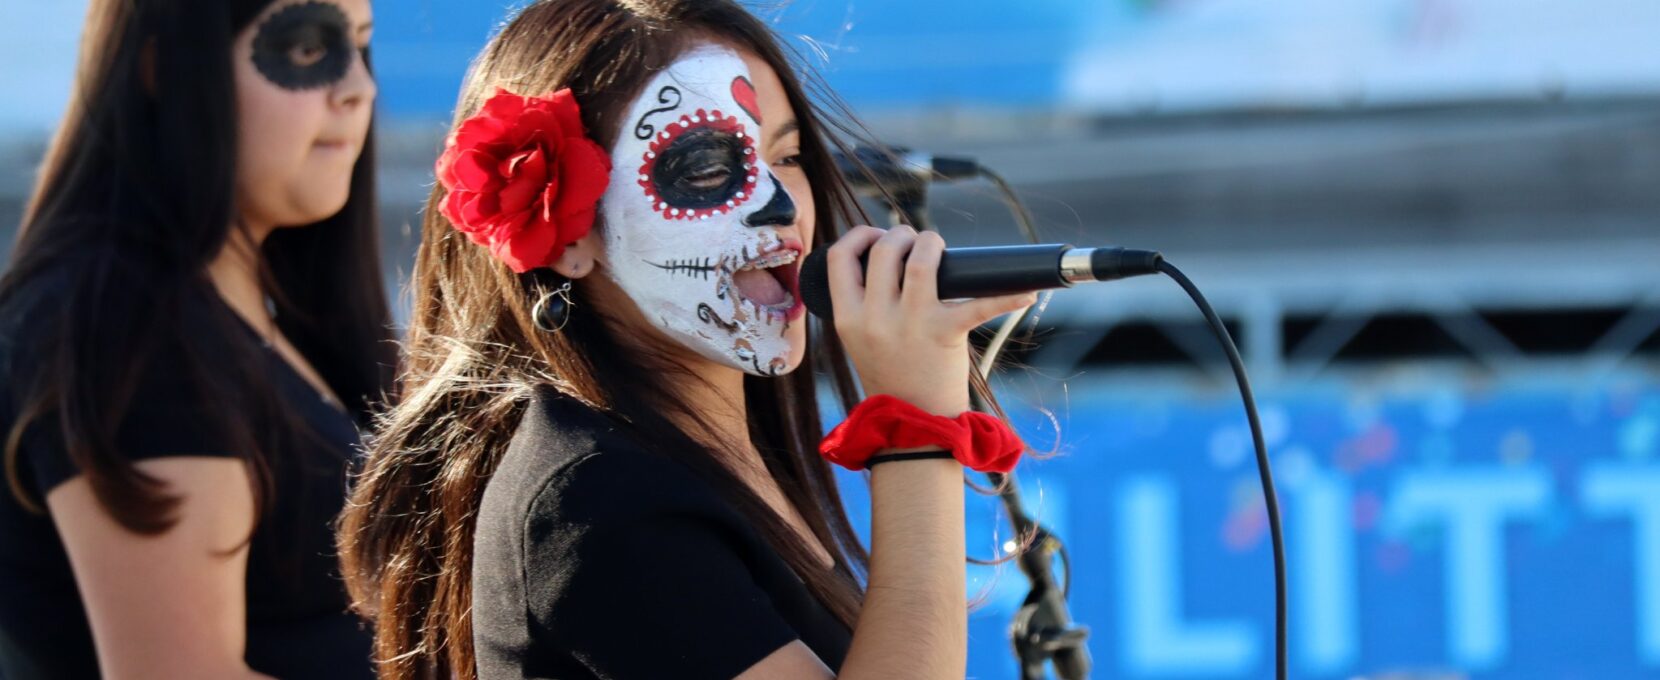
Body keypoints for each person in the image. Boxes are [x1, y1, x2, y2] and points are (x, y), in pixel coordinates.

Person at [335, 1, 1035, 678]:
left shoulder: (698, 458)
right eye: (708, 167)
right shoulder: (594, 502)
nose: (782, 204)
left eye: (787, 156)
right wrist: (913, 427)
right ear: (568, 230)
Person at [0, 0, 391, 677]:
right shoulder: (127, 325)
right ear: (163, 68)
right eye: (307, 48)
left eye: (362, 47)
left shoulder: (244, 307)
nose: (359, 86)